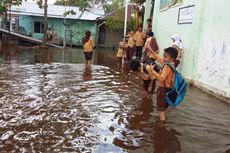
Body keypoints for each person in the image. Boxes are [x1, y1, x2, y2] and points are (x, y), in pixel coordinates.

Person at [146, 47, 178, 121]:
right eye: (163, 56)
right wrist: (152, 51)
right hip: (166, 90)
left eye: (165, 57)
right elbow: (158, 58)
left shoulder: (166, 66)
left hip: (162, 91)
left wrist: (152, 71)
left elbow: (161, 78)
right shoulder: (170, 65)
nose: (163, 58)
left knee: (161, 111)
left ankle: (161, 126)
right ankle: (163, 122)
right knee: (163, 110)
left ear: (172, 59)